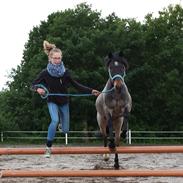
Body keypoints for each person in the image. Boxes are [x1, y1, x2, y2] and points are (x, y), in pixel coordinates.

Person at [32, 40, 100, 158]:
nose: (57, 61)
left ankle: (61, 127)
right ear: (50, 58)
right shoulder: (45, 73)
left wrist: (90, 91)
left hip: (64, 102)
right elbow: (33, 85)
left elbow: (76, 85)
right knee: (54, 120)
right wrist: (38, 89)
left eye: (59, 58)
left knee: (65, 131)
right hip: (52, 100)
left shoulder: (65, 73)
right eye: (55, 58)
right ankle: (48, 147)